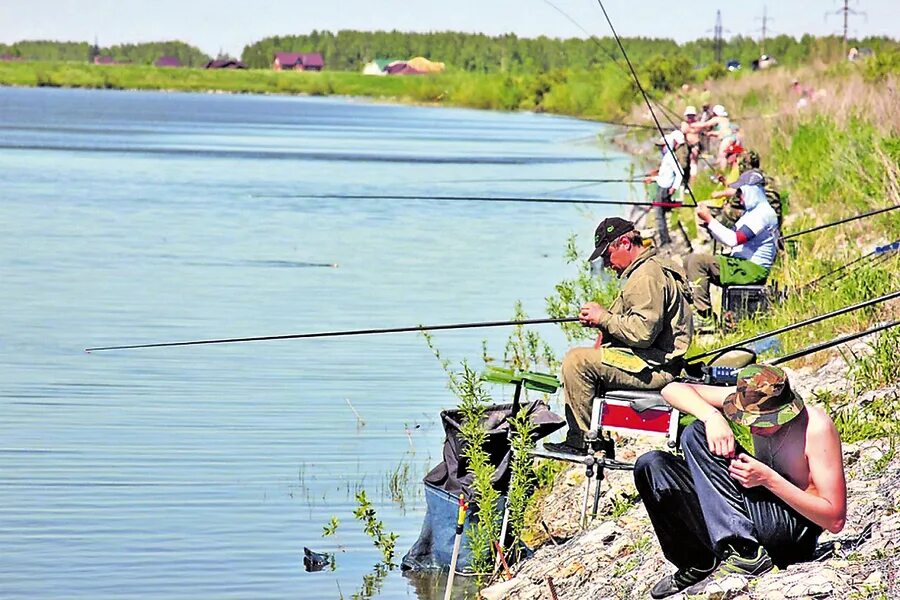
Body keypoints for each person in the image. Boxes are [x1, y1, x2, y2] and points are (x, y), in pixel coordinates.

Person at [634, 365, 846, 598]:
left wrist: (768, 479)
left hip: (792, 533)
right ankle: (699, 562)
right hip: (760, 509)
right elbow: (672, 389)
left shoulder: (815, 428)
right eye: (747, 418)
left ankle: (745, 553)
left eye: (762, 421)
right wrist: (712, 416)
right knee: (653, 464)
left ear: (785, 410)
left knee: (696, 434)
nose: (753, 426)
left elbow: (835, 520)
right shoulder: (750, 399)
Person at [544, 217, 693, 454]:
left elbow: (643, 333)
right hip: (651, 362)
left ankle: (584, 442)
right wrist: (602, 324)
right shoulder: (650, 268)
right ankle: (594, 437)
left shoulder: (646, 276)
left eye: (607, 255)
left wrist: (603, 317)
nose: (606, 264)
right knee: (587, 357)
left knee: (577, 361)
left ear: (624, 242)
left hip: (654, 368)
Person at [685, 172, 778, 331]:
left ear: (752, 191)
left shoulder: (763, 214)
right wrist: (709, 225)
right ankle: (700, 312)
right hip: (742, 264)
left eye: (741, 192)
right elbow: (727, 237)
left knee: (696, 261)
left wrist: (710, 219)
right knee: (689, 261)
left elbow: (733, 240)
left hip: (751, 269)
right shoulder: (751, 213)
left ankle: (705, 317)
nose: (739, 197)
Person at [643, 130, 686, 246]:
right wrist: (652, 178)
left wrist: (674, 187)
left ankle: (665, 241)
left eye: (662, 146)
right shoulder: (667, 157)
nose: (660, 149)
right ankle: (664, 239)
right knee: (659, 214)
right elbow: (664, 176)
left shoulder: (670, 157)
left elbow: (680, 173)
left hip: (664, 190)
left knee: (659, 214)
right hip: (662, 187)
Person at [680, 106, 701, 184]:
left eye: (691, 115)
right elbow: (683, 130)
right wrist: (690, 129)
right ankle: (685, 181)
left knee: (693, 162)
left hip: (695, 145)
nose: (690, 117)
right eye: (688, 115)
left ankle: (692, 181)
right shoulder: (684, 123)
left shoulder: (698, 123)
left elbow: (697, 129)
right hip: (686, 146)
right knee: (685, 164)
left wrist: (690, 129)